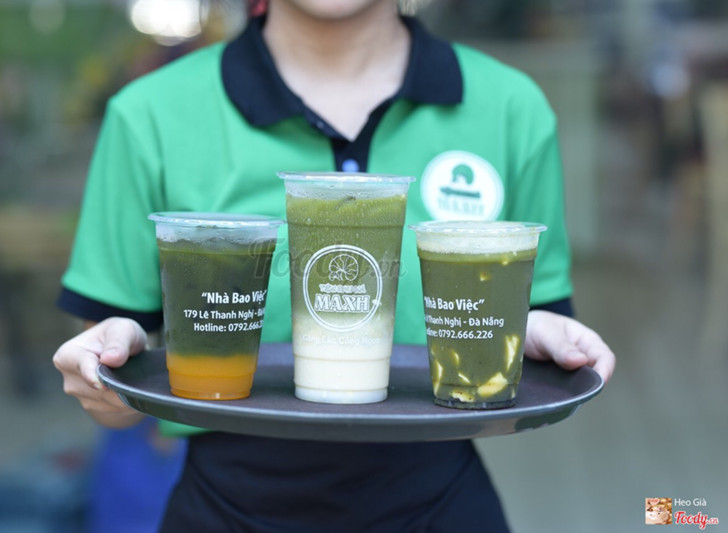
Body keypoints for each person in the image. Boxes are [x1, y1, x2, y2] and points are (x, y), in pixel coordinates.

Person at [53, 0, 616, 531]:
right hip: (223, 508)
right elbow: (113, 391)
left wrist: (538, 333)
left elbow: (532, 319)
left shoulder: (510, 108)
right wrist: (107, 373)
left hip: (441, 505)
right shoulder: (151, 114)